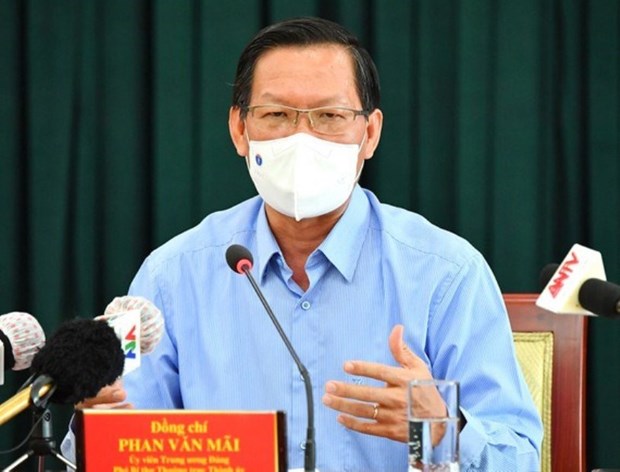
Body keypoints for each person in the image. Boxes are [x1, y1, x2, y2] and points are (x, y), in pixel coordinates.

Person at [61, 16, 542, 471]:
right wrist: (101, 421)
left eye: (330, 115)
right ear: (239, 129)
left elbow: (519, 457)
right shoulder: (171, 276)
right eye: (277, 114)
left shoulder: (446, 273)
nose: (302, 138)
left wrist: (438, 430)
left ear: (370, 133)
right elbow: (102, 448)